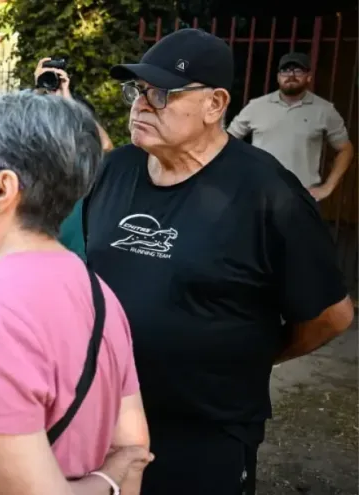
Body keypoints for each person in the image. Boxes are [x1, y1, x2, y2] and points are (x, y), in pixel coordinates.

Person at [60, 28, 355, 494]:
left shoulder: (268, 194)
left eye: (160, 92)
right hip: (105, 415)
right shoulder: (116, 170)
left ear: (215, 105)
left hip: (205, 430)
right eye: (136, 91)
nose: (140, 104)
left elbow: (332, 316)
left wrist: (260, 356)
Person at [0, 91, 151, 495]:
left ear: (2, 188)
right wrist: (112, 475)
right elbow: (133, 448)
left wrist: (106, 477)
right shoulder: (100, 294)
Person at [228, 52, 355, 202]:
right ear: (278, 77)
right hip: (257, 194)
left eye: (298, 71)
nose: (291, 75)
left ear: (309, 76)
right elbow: (227, 141)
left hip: (300, 197)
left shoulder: (325, 110)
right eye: (285, 70)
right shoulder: (256, 106)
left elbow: (345, 149)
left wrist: (327, 187)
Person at [34, 57, 114, 153]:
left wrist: (68, 101)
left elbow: (106, 146)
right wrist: (38, 88)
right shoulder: (32, 110)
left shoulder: (76, 105)